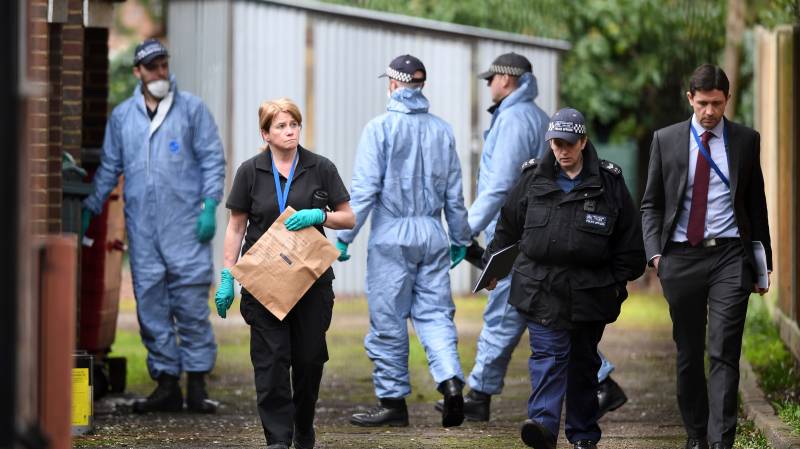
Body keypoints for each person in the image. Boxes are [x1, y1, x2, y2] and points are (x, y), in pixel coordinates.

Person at [441, 52, 627, 422]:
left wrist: (464, 231)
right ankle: (482, 392)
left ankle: (598, 384)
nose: (490, 85)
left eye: (491, 79)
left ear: (507, 79)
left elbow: (499, 187)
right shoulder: (536, 116)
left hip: (520, 239)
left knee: (519, 313)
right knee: (537, 314)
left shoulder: (513, 119)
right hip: (537, 234)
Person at [483, 108, 645, 449]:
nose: (562, 150)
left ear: (583, 141)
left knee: (583, 366)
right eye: (556, 143)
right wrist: (493, 268)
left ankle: (583, 435)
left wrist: (615, 285)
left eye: (569, 143)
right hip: (540, 288)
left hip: (591, 292)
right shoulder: (531, 178)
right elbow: (507, 227)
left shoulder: (609, 183)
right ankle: (542, 426)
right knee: (547, 357)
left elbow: (629, 245)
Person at [81, 39, 225, 414]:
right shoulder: (123, 118)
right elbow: (110, 167)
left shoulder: (192, 111)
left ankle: (195, 384)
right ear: (138, 72)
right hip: (144, 231)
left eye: (164, 65)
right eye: (152, 67)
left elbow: (212, 159)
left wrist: (210, 206)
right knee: (151, 307)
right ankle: (166, 384)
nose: (160, 73)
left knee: (191, 305)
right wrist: (90, 207)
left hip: (186, 227)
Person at [336, 54, 472, 428]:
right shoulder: (443, 131)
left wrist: (344, 237)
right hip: (432, 234)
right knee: (435, 315)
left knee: (388, 320)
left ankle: (394, 403)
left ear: (393, 85)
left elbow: (364, 192)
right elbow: (455, 197)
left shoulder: (378, 129)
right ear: (420, 86)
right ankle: (451, 384)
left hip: (391, 236)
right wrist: (460, 237)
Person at [641, 64, 772, 449]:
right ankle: (696, 434)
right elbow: (651, 204)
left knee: (724, 352)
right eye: (702, 104)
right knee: (688, 353)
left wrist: (762, 266)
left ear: (727, 100)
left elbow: (755, 204)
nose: (710, 111)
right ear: (690, 100)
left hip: (730, 256)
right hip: (680, 257)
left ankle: (720, 442)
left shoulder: (746, 140)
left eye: (717, 103)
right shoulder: (665, 140)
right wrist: (656, 257)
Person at [214, 98, 354, 449]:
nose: (290, 130)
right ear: (265, 133)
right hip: (263, 282)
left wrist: (319, 216)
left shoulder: (320, 167)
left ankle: (303, 423)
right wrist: (228, 274)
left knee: (308, 360)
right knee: (272, 363)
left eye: (294, 124)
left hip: (310, 280)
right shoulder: (250, 171)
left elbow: (347, 217)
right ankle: (278, 440)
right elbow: (235, 227)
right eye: (281, 125)